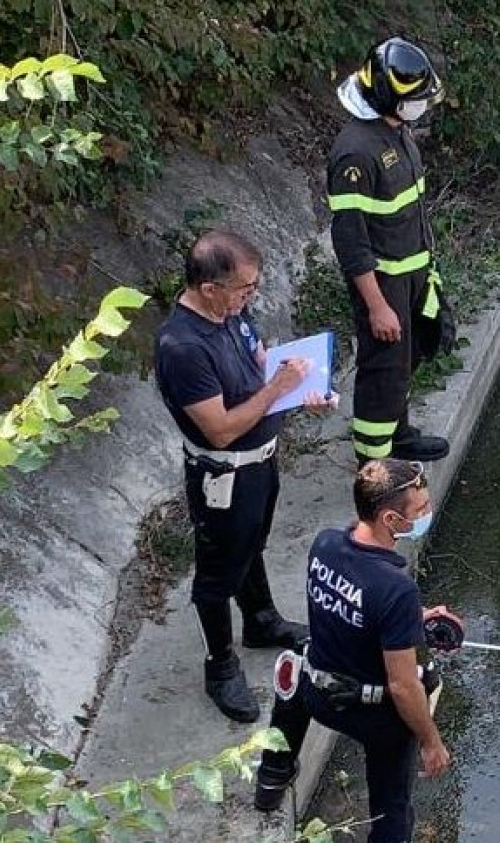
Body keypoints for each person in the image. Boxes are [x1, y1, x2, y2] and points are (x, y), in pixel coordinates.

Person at [152, 229, 319, 722]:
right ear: (209, 288)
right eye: (244, 289)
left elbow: (262, 368)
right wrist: (278, 391)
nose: (251, 297)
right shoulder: (182, 347)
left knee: (252, 543)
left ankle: (261, 620)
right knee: (216, 571)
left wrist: (302, 388)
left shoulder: (233, 315)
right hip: (222, 474)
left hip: (261, 462)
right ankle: (219, 665)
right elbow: (221, 429)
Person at [253, 459, 458, 842]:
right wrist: (431, 742)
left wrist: (415, 617)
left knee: (293, 672)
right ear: (392, 520)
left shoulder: (325, 544)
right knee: (392, 808)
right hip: (370, 712)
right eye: (420, 510)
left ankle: (272, 777)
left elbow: (358, 595)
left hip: (314, 691)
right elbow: (401, 686)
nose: (426, 513)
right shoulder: (396, 590)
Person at [330, 36, 457, 462]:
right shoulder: (355, 152)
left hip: (415, 274)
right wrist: (377, 306)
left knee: (408, 357)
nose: (419, 106)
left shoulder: (395, 131)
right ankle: (374, 468)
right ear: (386, 94)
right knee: (383, 372)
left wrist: (430, 277)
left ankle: (398, 435)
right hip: (384, 282)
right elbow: (351, 242)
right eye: (413, 99)